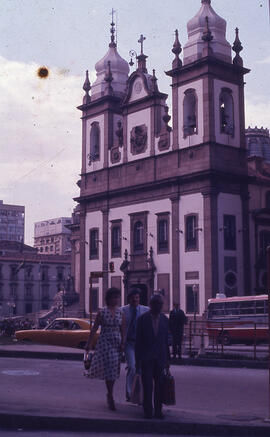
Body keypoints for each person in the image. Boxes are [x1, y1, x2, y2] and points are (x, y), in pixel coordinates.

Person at [85, 287, 124, 411]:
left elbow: (123, 328)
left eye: (118, 297)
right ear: (109, 298)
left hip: (116, 342)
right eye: (114, 297)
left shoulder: (120, 312)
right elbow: (95, 328)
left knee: (113, 368)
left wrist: (123, 342)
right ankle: (110, 395)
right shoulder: (102, 312)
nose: (116, 299)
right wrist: (89, 343)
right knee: (109, 367)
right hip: (105, 342)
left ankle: (109, 393)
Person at [135, 294, 170, 419]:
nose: (159, 307)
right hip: (146, 358)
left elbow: (166, 341)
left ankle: (158, 410)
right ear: (151, 305)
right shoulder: (142, 320)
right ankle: (148, 410)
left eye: (161, 304)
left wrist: (167, 360)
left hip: (160, 358)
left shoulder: (165, 320)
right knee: (148, 385)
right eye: (157, 304)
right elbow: (138, 342)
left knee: (159, 386)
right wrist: (137, 361)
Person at [122, 288, 149, 402]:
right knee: (132, 367)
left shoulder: (145, 310)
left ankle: (138, 393)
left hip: (141, 344)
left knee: (140, 369)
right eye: (133, 298)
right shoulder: (122, 310)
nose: (135, 299)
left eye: (137, 297)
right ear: (129, 299)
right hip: (129, 342)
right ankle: (129, 393)